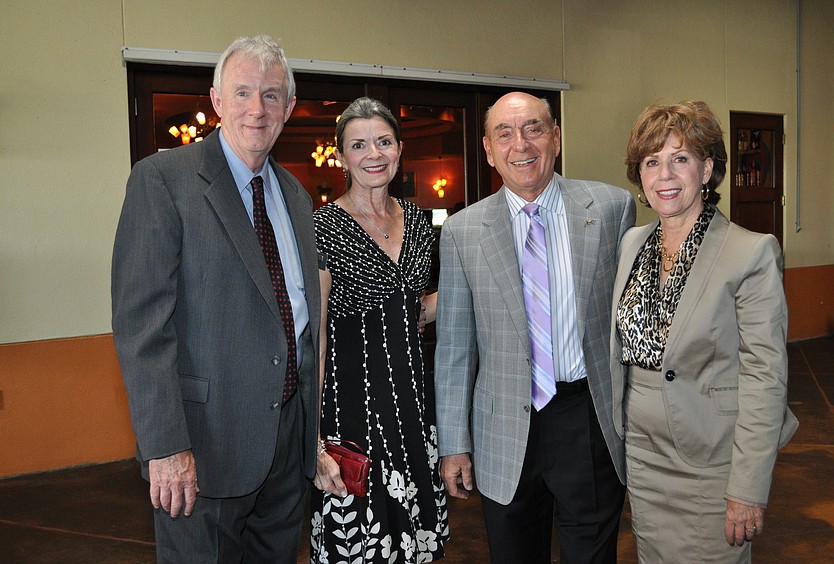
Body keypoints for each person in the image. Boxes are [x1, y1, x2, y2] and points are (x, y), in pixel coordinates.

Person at [112, 35, 320, 563]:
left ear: (289, 109)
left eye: (272, 95)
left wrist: (310, 435)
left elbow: (298, 319)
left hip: (286, 441)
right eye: (243, 92)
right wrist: (165, 447)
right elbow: (143, 328)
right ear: (216, 100)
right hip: (201, 450)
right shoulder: (163, 181)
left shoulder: (295, 195)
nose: (257, 108)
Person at [435, 91, 636, 563]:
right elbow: (454, 350)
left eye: (534, 128)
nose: (520, 144)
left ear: (556, 137)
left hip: (586, 420)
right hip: (503, 429)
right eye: (504, 133)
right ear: (488, 149)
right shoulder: (463, 232)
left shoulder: (610, 209)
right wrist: (454, 444)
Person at [612, 100, 799, 562]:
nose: (665, 175)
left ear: (707, 167)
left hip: (711, 462)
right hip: (641, 455)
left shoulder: (750, 253)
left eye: (681, 159)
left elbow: (765, 378)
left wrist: (747, 487)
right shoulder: (633, 242)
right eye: (652, 162)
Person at [310, 97, 448, 563]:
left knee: (414, 542)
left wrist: (474, 292)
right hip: (351, 412)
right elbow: (320, 330)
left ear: (400, 148)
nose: (373, 154)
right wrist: (314, 432)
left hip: (413, 405)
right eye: (359, 145)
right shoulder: (321, 227)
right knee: (358, 545)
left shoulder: (423, 224)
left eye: (383, 141)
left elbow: (414, 310)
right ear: (342, 156)